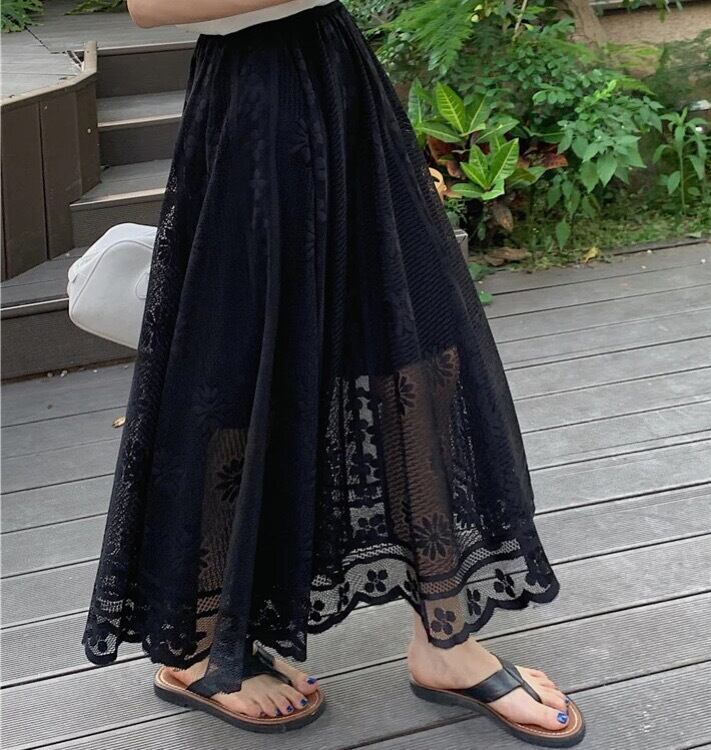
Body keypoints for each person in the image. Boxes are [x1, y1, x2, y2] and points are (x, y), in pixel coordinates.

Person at [81, 0, 585, 745]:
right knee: (236, 366)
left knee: (416, 350)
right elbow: (154, 5)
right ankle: (196, 646)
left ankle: (446, 639)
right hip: (255, 100)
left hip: (338, 76)